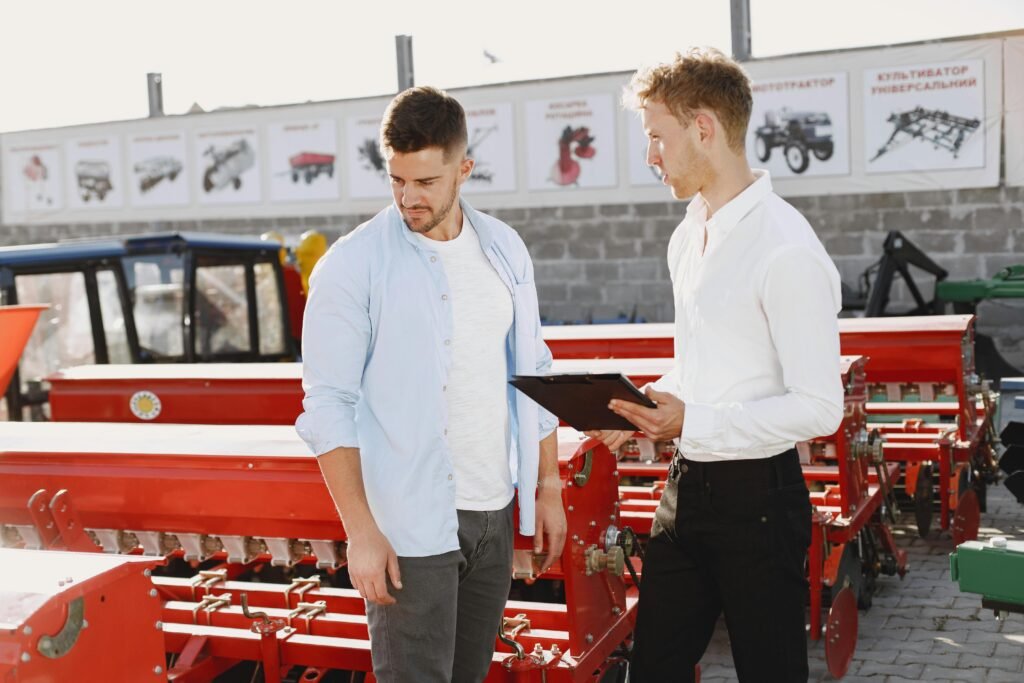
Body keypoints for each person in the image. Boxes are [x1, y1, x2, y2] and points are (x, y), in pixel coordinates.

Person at [588, 48, 844, 682]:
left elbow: (820, 407)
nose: (650, 155)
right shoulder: (689, 231)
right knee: (654, 669)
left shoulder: (786, 249)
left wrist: (690, 421)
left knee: (771, 673)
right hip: (685, 492)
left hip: (760, 502)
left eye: (657, 137)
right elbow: (703, 366)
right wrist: (644, 404)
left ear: (703, 127)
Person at [295, 86, 567, 683]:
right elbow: (328, 405)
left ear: (464, 169)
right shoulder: (352, 265)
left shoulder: (503, 248)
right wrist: (361, 533)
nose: (408, 198)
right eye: (397, 180)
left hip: (492, 513)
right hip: (408, 529)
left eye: (426, 183)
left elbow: (534, 369)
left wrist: (547, 484)